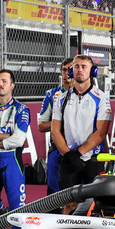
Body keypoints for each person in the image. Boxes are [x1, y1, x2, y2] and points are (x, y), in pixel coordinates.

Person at [51, 54, 110, 193]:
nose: (80, 70)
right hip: (68, 157)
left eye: (84, 67)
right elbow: (55, 131)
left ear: (92, 71)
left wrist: (79, 153)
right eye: (76, 66)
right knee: (68, 203)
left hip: (93, 159)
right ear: (71, 71)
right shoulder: (61, 98)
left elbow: (101, 132)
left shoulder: (101, 98)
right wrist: (69, 154)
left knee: (94, 203)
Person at [0, 70, 32, 229]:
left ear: (12, 85)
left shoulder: (21, 110)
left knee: (17, 209)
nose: (0, 84)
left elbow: (18, 140)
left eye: (4, 81)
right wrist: (5, 136)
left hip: (12, 163)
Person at [39, 59, 73, 194]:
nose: (67, 73)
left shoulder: (87, 95)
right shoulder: (51, 94)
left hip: (78, 150)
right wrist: (62, 122)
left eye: (70, 69)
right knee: (54, 192)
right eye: (64, 70)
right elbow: (41, 126)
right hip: (56, 149)